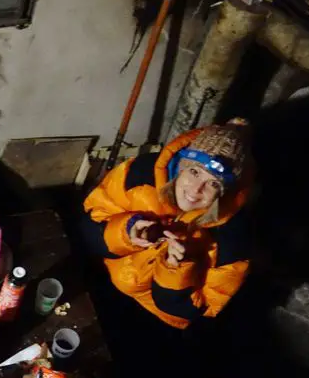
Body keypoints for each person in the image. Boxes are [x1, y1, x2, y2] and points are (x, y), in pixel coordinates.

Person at [81, 119, 254, 330]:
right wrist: (126, 232)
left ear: (224, 192)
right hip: (108, 277)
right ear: (182, 166)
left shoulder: (233, 239)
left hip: (157, 316)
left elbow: (204, 309)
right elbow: (90, 223)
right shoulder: (140, 173)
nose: (195, 190)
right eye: (194, 172)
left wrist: (178, 267)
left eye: (213, 183)